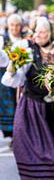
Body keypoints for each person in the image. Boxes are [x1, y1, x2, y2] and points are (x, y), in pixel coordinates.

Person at [1, 17, 54, 180]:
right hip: (34, 108)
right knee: (39, 147)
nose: (39, 35)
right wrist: (12, 67)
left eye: (43, 31)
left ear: (51, 33)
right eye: (37, 31)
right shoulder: (27, 52)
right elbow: (12, 80)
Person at [0, 14, 30, 144]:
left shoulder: (26, 39)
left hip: (23, 76)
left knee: (21, 104)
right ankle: (12, 134)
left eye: (17, 25)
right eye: (12, 25)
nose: (14, 28)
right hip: (5, 76)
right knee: (9, 105)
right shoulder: (3, 39)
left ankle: (21, 133)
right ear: (8, 26)